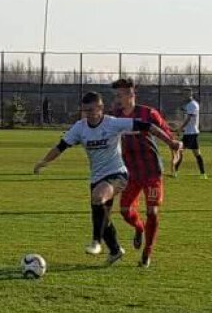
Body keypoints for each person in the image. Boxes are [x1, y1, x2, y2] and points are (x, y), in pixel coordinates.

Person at [34, 92, 181, 266]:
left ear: (101, 108)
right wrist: (44, 162)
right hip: (97, 177)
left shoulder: (112, 123)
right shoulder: (80, 128)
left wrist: (170, 142)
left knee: (98, 197)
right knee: (103, 215)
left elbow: (148, 126)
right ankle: (115, 250)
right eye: (84, 110)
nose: (87, 114)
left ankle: (96, 242)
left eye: (91, 110)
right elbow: (61, 146)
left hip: (118, 174)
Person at [112, 78, 176, 268]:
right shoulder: (115, 116)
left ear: (131, 94)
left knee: (152, 212)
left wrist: (175, 149)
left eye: (121, 94)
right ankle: (139, 228)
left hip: (151, 172)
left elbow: (167, 134)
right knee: (124, 211)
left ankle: (147, 254)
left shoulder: (148, 113)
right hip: (129, 172)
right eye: (116, 95)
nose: (118, 98)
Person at [173, 89, 206, 178]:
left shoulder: (192, 105)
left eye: (187, 94)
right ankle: (203, 174)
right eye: (184, 94)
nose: (185, 96)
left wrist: (180, 129)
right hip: (191, 132)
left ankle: (175, 172)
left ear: (191, 94)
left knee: (180, 151)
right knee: (197, 154)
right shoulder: (189, 105)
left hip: (190, 133)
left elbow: (188, 119)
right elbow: (185, 111)